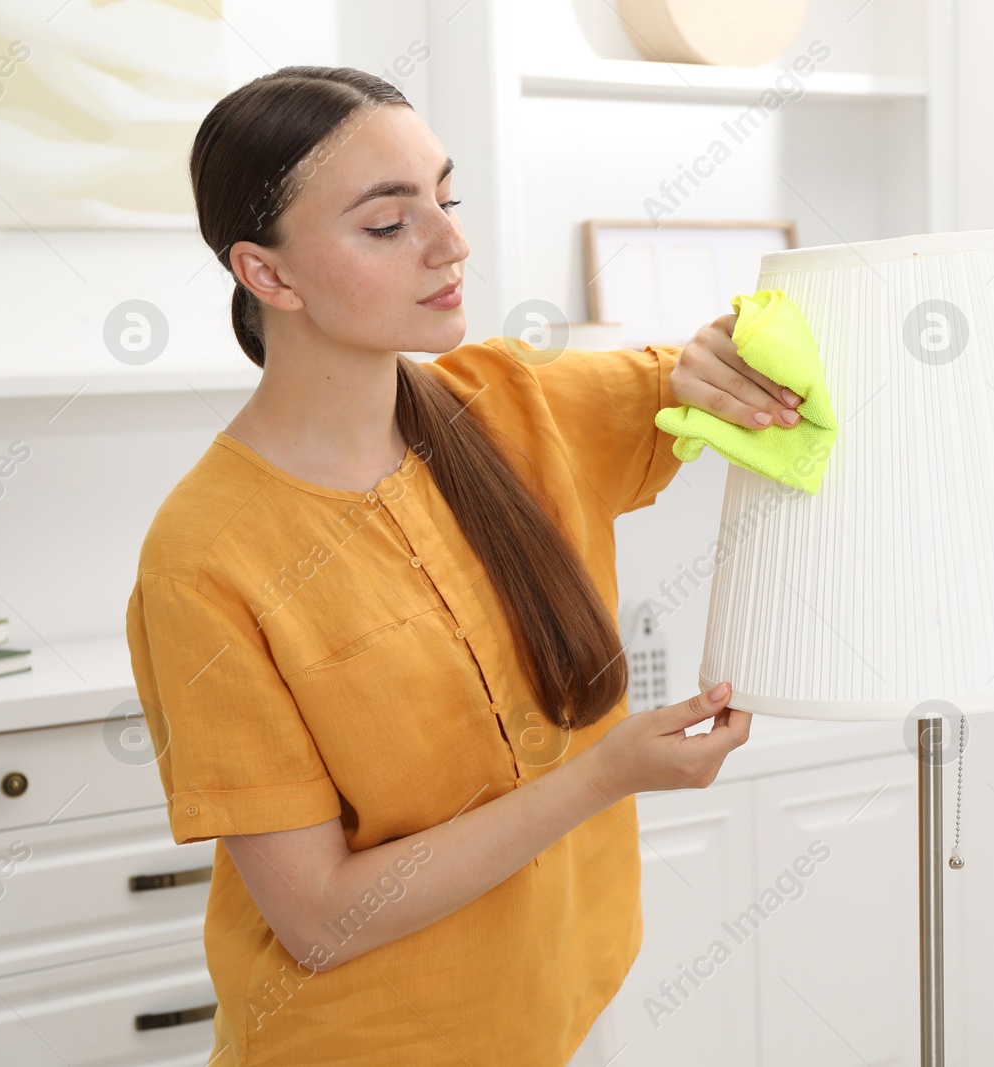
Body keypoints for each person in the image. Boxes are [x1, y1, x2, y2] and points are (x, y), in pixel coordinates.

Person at [124, 65, 804, 1067]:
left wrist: (730, 357)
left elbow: (694, 369)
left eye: (444, 197)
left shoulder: (513, 404)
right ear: (267, 275)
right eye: (387, 223)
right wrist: (604, 774)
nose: (451, 243)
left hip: (555, 1016)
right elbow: (319, 916)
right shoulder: (204, 562)